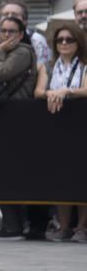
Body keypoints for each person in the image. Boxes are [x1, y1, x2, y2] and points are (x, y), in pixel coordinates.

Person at [0, 16, 38, 242]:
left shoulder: (22, 52)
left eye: (11, 31)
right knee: (0, 172)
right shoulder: (5, 51)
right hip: (3, 116)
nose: (6, 35)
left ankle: (14, 226)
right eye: (3, 30)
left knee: (9, 173)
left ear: (22, 33)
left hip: (17, 117)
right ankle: (9, 223)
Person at [34, 21, 87, 242]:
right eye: (59, 40)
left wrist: (66, 91)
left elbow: (85, 89)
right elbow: (38, 91)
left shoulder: (84, 65)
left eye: (69, 39)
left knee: (81, 176)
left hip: (80, 126)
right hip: (56, 126)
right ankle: (63, 226)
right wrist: (51, 94)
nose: (64, 43)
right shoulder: (48, 65)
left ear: (78, 42)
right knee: (61, 176)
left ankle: (82, 228)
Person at [0, 0, 49, 66]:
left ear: (25, 21)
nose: (9, 17)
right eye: (5, 14)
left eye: (14, 15)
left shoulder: (36, 40)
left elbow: (43, 68)